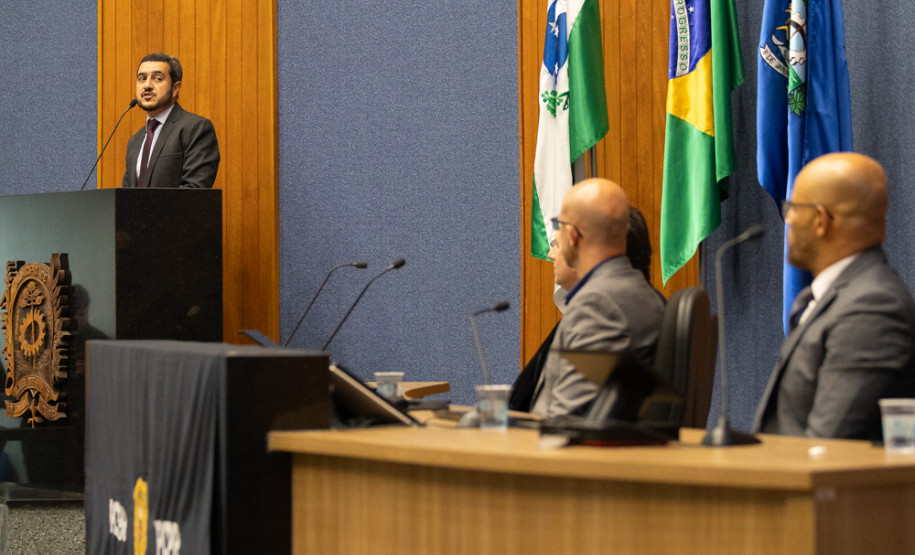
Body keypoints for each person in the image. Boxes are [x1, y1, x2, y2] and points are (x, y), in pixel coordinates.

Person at [753, 152, 915, 440]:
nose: (788, 219)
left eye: (793, 208)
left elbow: (828, 445)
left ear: (820, 220)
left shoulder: (871, 308)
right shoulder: (833, 296)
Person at [529, 179, 665, 418]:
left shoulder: (598, 306)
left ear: (573, 235)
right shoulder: (640, 292)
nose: (551, 252)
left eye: (559, 225)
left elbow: (564, 421)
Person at [122, 53, 220, 188]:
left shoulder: (196, 128)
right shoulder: (135, 141)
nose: (147, 85)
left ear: (175, 88)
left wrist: (147, 203)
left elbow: (195, 190)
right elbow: (126, 195)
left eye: (157, 78)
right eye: (142, 78)